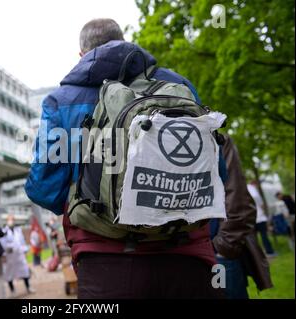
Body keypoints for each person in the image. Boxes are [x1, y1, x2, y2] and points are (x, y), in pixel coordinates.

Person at [25, 18, 227, 299]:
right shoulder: (177, 85)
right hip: (187, 256)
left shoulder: (62, 101)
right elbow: (215, 171)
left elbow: (44, 189)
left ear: (82, 55)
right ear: (124, 42)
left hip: (105, 260)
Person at [211, 136, 272, 299]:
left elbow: (238, 200)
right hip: (174, 260)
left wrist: (223, 248)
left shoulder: (216, 138)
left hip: (218, 255)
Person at [0, 215, 35, 296]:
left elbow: (22, 241)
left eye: (12, 219)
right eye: (9, 219)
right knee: (9, 273)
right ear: (6, 221)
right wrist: (4, 253)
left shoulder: (18, 230)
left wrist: (25, 250)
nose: (11, 221)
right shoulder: (4, 231)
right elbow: (2, 242)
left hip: (19, 254)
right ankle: (12, 291)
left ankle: (28, 287)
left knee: (24, 270)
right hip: (9, 255)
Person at [247, 181, 276, 256]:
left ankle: (257, 255)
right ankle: (269, 251)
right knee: (264, 236)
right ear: (254, 184)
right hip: (260, 218)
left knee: (254, 238)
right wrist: (264, 211)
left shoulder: (245, 189)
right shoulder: (253, 190)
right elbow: (261, 203)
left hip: (251, 218)